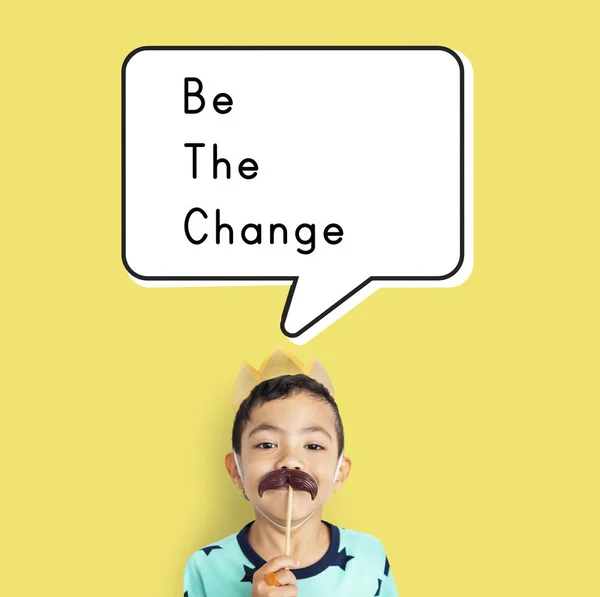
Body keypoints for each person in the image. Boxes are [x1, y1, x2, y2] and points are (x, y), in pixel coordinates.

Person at [184, 363, 398, 596]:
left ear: (340, 472)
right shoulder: (205, 567)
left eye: (313, 446)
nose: (290, 461)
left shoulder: (369, 557)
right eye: (267, 444)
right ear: (236, 470)